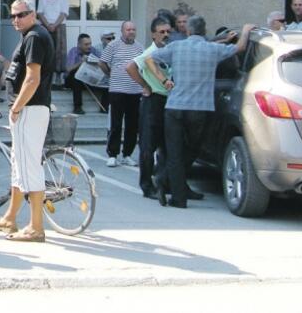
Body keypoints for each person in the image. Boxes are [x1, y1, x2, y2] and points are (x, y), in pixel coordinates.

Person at [146, 16, 254, 208]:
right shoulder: (213, 50)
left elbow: (149, 59)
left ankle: (175, 194)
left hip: (175, 107)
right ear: (204, 31)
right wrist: (245, 31)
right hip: (200, 109)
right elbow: (240, 48)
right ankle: (165, 181)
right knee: (193, 149)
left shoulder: (176, 47)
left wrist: (163, 80)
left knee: (175, 152)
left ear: (187, 30)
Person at [0, 0, 54, 242]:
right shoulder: (30, 35)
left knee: (30, 166)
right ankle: (10, 217)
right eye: (13, 16)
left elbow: (33, 78)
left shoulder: (35, 36)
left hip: (30, 109)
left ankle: (36, 226)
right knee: (18, 164)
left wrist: (17, 106)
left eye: (21, 15)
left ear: (33, 14)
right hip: (28, 109)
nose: (16, 19)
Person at [126, 17, 173, 200]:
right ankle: (146, 185)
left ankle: (163, 182)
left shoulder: (168, 51)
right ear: (153, 34)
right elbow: (130, 67)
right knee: (148, 146)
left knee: (165, 145)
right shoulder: (151, 52)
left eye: (168, 31)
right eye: (161, 32)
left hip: (167, 101)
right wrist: (145, 85)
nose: (166, 35)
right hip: (153, 100)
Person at [99, 21, 144, 168]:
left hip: (135, 91)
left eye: (133, 29)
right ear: (122, 31)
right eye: (128, 29)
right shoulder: (113, 45)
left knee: (132, 124)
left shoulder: (139, 47)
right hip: (117, 90)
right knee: (116, 123)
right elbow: (102, 62)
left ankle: (127, 154)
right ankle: (112, 154)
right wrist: (111, 74)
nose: (131, 32)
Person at [36, 0, 68, 85]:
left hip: (59, 26)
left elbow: (63, 13)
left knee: (60, 51)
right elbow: (39, 13)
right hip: (45, 26)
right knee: (46, 51)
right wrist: (48, 25)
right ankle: (46, 74)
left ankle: (58, 76)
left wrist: (54, 25)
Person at [63, 33, 100, 115]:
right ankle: (77, 107)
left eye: (90, 43)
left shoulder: (93, 50)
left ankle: (105, 106)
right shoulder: (73, 51)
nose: (89, 46)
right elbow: (68, 69)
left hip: (88, 79)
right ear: (79, 45)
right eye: (86, 44)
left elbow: (102, 63)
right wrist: (81, 62)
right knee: (76, 75)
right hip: (72, 80)